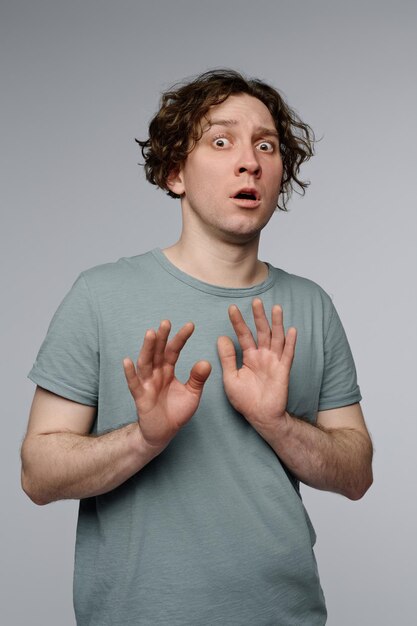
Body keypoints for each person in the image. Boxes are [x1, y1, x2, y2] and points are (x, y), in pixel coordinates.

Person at [21, 69, 373, 625]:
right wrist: (144, 439)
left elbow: (356, 473)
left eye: (267, 145)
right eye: (221, 140)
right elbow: (37, 475)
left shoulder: (311, 305)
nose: (250, 161)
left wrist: (276, 422)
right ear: (173, 173)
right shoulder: (99, 295)